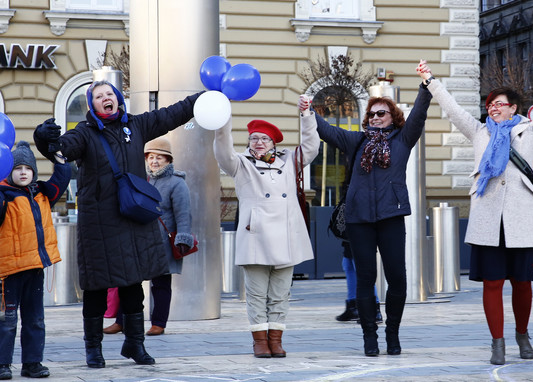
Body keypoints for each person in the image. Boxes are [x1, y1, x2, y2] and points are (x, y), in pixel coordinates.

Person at [33, 81, 202, 368]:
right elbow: (62, 149)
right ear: (92, 105)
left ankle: (135, 344)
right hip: (99, 223)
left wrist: (201, 98)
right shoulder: (85, 133)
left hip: (134, 217)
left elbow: (171, 114)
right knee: (97, 288)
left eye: (109, 94)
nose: (105, 98)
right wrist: (43, 138)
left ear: (118, 99)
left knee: (133, 285)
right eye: (99, 96)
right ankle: (93, 349)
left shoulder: (135, 126)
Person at [420, 54, 533, 365]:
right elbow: (453, 109)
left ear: (513, 108)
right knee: (491, 284)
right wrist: (430, 81)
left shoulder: (531, 130)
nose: (493, 107)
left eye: (499, 103)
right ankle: (497, 342)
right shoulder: (479, 132)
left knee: (522, 283)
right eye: (490, 103)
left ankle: (522, 333)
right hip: (488, 219)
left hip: (520, 219)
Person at [314, 61, 432, 356]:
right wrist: (307, 112)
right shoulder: (357, 141)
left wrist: (426, 84)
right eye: (372, 113)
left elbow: (419, 114)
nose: (376, 117)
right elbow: (327, 131)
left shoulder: (403, 139)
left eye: (382, 113)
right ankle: (370, 336)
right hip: (359, 219)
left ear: (393, 117)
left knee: (397, 278)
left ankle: (393, 334)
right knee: (365, 279)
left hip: (391, 216)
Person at [213, 98, 319, 359]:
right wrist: (222, 120)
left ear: (274, 143)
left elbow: (311, 146)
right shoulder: (241, 164)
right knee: (257, 294)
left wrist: (306, 115)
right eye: (254, 139)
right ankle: (260, 341)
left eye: (264, 139)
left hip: (286, 236)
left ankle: (276, 339)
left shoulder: (290, 161)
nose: (258, 143)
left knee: (281, 294)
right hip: (256, 236)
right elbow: (222, 152)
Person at [102, 137, 194, 337]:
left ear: (168, 161)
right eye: (151, 157)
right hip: (139, 239)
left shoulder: (177, 183)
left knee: (160, 284)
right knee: (129, 281)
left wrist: (183, 238)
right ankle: (122, 320)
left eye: (160, 157)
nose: (154, 161)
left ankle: (158, 323)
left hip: (162, 243)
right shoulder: (141, 179)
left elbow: (183, 214)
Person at [0, 141, 70, 379]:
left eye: (27, 169)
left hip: (35, 268)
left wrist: (57, 156)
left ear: (33, 172)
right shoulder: (3, 196)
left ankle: (32, 363)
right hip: (8, 271)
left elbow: (62, 178)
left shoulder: (42, 195)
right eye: (17, 168)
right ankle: (2, 363)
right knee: (7, 321)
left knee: (35, 319)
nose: (22, 172)